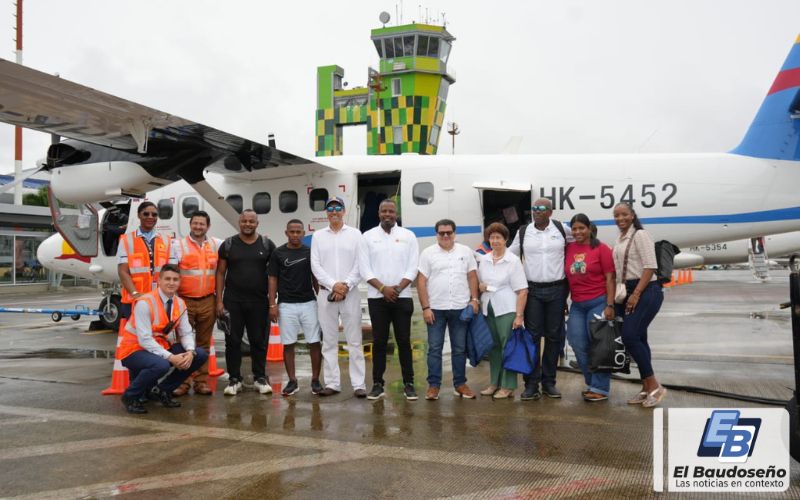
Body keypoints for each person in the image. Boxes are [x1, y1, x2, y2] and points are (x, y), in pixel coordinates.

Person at [118, 264, 208, 414]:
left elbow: (186, 333)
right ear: (159, 280)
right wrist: (171, 357)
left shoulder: (180, 303)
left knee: (200, 354)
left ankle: (162, 391)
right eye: (167, 279)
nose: (171, 283)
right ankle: (130, 396)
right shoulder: (145, 302)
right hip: (133, 350)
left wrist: (190, 352)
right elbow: (144, 339)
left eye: (175, 279)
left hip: (159, 347)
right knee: (161, 365)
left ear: (179, 282)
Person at [508, 198, 571, 400]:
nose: (537, 211)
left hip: (557, 290)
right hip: (533, 291)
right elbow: (509, 255)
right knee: (533, 338)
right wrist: (485, 260)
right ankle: (531, 384)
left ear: (550, 212)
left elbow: (581, 243)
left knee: (554, 338)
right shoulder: (524, 232)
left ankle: (549, 382)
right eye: (534, 208)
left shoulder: (562, 229)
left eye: (542, 208)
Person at [358, 199, 419, 401]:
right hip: (377, 297)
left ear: (396, 214)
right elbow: (364, 269)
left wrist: (398, 288)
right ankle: (377, 384)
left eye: (391, 211)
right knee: (379, 342)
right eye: (384, 211)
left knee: (403, 341)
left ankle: (409, 383)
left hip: (402, 297)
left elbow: (413, 267)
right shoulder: (367, 237)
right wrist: (383, 288)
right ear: (378, 213)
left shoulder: (408, 236)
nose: (387, 214)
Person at [417, 219, 480, 400]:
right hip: (435, 309)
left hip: (460, 308)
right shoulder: (428, 253)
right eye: (441, 233)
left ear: (454, 233)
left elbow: (472, 276)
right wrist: (426, 307)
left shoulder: (465, 252)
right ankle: (434, 386)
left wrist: (474, 300)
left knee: (459, 349)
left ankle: (460, 384)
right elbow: (421, 281)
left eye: (449, 232)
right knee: (434, 349)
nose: (445, 236)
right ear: (436, 234)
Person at [310, 197, 367, 398]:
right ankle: (333, 383)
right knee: (329, 342)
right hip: (326, 295)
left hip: (349, 294)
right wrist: (334, 285)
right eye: (330, 208)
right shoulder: (318, 236)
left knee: (354, 340)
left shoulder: (355, 234)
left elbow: (360, 264)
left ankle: (359, 384)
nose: (334, 211)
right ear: (326, 212)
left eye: (338, 208)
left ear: (343, 211)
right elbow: (315, 266)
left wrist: (346, 286)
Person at [215, 209, 276, 396]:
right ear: (239, 223)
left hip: (259, 302)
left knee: (259, 341)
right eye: (244, 221)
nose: (247, 224)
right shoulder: (228, 244)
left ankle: (260, 378)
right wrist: (219, 300)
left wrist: (272, 302)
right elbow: (220, 273)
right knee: (232, 341)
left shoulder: (267, 244)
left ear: (257, 223)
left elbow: (273, 275)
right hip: (233, 301)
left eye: (251, 221)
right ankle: (235, 379)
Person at [612, 202, 667, 407]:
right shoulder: (619, 239)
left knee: (630, 336)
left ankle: (655, 386)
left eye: (624, 214)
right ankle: (646, 388)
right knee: (640, 338)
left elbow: (650, 266)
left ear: (632, 215)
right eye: (616, 215)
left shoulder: (640, 235)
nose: (620, 219)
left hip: (646, 290)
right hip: (628, 290)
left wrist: (636, 293)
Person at [168, 210, 222, 396]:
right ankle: (183, 383)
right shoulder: (178, 245)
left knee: (203, 344)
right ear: (190, 224)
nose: (198, 227)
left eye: (202, 224)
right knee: (184, 344)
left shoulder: (216, 245)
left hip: (208, 300)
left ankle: (201, 382)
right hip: (184, 302)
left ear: (208, 226)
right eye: (195, 223)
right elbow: (172, 274)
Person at [268, 219, 323, 396]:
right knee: (288, 344)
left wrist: (320, 299)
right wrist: (272, 303)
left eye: (299, 232)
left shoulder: (310, 251)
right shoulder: (278, 253)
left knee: (314, 342)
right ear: (286, 233)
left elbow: (315, 276)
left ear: (304, 233)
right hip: (286, 305)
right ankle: (292, 381)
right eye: (292, 232)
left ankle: (315, 380)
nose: (295, 235)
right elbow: (272, 279)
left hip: (309, 303)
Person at [564, 213, 616, 402]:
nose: (577, 232)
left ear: (589, 228)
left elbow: (610, 278)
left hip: (598, 301)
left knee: (599, 347)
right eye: (574, 228)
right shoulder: (568, 249)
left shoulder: (601, 248)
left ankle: (600, 388)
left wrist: (610, 305)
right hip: (577, 304)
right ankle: (591, 383)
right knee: (577, 343)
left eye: (581, 228)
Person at [476, 223, 528, 399]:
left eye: (498, 237)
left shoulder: (512, 260)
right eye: (492, 237)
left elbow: (522, 290)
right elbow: (479, 283)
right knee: (494, 348)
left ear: (506, 239)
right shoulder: (484, 259)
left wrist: (519, 316)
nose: (495, 241)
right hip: (488, 308)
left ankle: (508, 386)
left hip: (506, 308)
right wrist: (480, 286)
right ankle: (494, 383)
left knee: (508, 348)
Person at [117, 201, 171, 320]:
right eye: (146, 214)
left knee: (158, 336)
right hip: (134, 301)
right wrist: (135, 294)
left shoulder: (166, 240)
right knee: (136, 337)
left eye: (154, 214)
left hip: (159, 299)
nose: (150, 217)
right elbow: (123, 271)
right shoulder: (126, 240)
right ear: (139, 215)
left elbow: (171, 271)